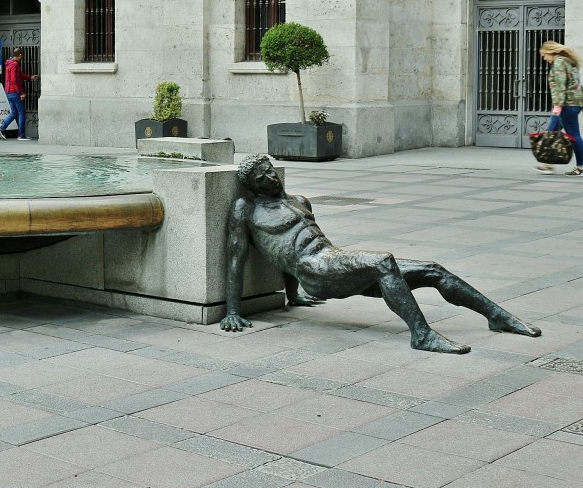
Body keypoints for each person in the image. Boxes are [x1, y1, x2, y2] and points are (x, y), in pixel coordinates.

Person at [221, 154, 541, 354]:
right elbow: (239, 258)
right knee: (382, 261)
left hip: (331, 262)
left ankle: (497, 317)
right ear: (252, 187)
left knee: (433, 269)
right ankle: (422, 335)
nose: (270, 178)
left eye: (269, 170)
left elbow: (286, 248)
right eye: (261, 177)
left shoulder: (300, 200)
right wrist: (232, 311)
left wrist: (293, 297)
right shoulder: (247, 208)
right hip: (314, 269)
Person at [536, 41, 583, 175]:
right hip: (574, 102)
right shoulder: (568, 61)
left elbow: (561, 85)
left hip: (567, 104)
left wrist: (558, 105)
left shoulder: (559, 62)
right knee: (551, 131)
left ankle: (581, 167)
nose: (545, 58)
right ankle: (547, 163)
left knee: (574, 135)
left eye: (545, 55)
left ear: (551, 52)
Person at [0, 48, 38, 141]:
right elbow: (14, 80)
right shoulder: (15, 65)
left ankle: (1, 128)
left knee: (14, 112)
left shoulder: (9, 63)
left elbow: (19, 75)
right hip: (15, 93)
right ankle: (21, 135)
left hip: (8, 92)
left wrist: (30, 77)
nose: (22, 57)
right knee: (21, 113)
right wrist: (21, 93)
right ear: (20, 55)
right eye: (22, 55)